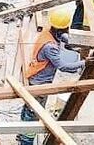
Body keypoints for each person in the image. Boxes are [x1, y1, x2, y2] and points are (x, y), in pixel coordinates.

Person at [18, 8, 86, 145]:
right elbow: (63, 66)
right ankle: (26, 141)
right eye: (66, 29)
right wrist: (83, 62)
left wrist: (73, 43)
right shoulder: (50, 47)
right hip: (40, 84)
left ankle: (21, 134)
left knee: (28, 109)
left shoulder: (47, 33)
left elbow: (62, 40)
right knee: (34, 113)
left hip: (35, 77)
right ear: (61, 30)